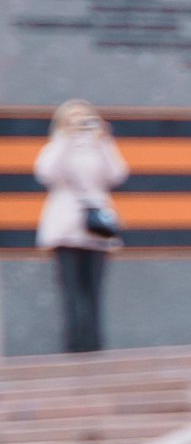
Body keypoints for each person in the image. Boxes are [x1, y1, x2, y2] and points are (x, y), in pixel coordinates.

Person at [33, 99, 126, 354]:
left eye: (84, 117)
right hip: (65, 226)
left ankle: (94, 344)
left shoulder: (98, 147)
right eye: (73, 117)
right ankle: (74, 344)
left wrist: (104, 141)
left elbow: (117, 174)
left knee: (94, 289)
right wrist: (65, 138)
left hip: (96, 225)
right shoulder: (55, 147)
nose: (80, 122)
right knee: (71, 290)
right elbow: (46, 173)